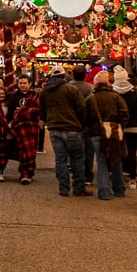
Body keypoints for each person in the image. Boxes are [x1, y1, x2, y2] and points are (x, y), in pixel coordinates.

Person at [40, 66, 89, 196]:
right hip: (72, 128)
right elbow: (81, 108)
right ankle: (79, 187)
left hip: (55, 129)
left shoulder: (45, 92)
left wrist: (48, 122)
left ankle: (63, 188)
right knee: (77, 159)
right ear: (64, 76)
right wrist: (81, 124)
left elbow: (42, 111)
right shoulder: (72, 90)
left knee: (60, 160)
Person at [87, 70, 129, 200]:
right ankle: (119, 189)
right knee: (116, 159)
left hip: (96, 132)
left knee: (101, 161)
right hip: (114, 131)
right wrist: (119, 125)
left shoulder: (91, 98)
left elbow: (85, 116)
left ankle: (104, 191)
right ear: (108, 82)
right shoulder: (116, 97)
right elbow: (124, 113)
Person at [0, 75, 41, 185]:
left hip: (30, 128)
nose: (22, 85)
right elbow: (10, 111)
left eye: (24, 83)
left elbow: (38, 110)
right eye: (20, 83)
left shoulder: (34, 96)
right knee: (20, 152)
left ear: (29, 84)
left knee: (29, 152)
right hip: (17, 128)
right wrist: (8, 124)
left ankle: (27, 174)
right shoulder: (13, 96)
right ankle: (22, 172)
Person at [112, 66, 137, 185]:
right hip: (133, 126)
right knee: (132, 152)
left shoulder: (112, 91)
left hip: (116, 126)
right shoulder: (135, 92)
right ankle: (132, 177)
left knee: (116, 151)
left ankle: (117, 174)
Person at [70, 66, 97, 189]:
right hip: (86, 124)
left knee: (73, 152)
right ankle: (87, 175)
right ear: (85, 75)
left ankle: (76, 174)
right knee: (88, 151)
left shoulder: (67, 88)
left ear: (72, 74)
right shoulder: (90, 88)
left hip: (70, 123)